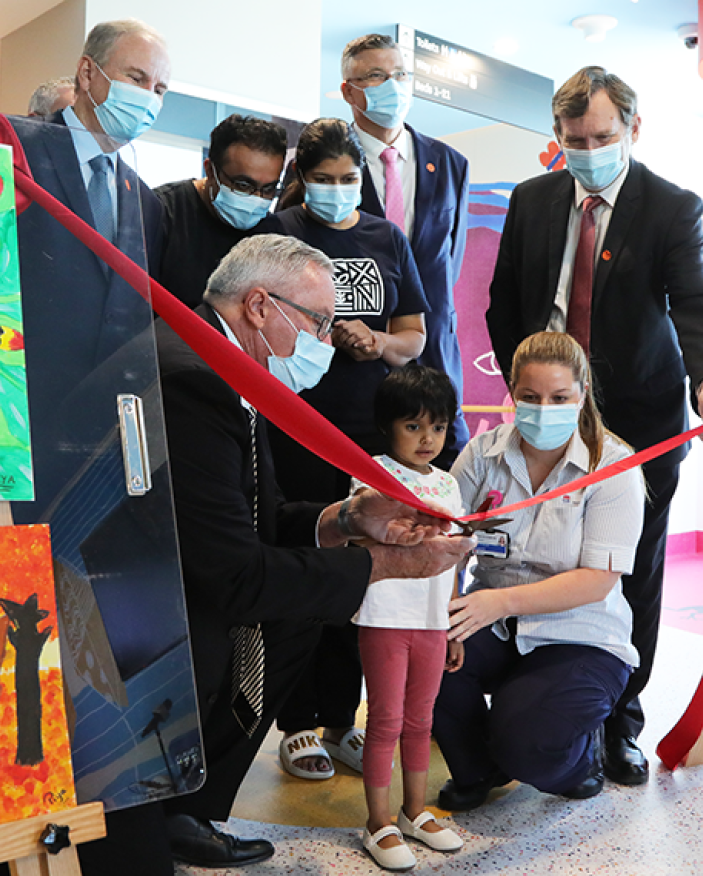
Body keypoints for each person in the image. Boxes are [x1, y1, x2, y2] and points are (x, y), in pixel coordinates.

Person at [108, 235, 467, 872]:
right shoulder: (195, 381)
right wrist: (381, 565)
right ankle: (164, 806)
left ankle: (187, 807)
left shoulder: (225, 368)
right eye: (320, 321)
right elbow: (234, 572)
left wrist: (348, 518)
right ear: (258, 307)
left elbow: (260, 517)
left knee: (304, 609)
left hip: (187, 585)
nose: (329, 340)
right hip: (144, 618)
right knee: (296, 609)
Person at [486, 66, 703, 786]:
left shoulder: (668, 206)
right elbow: (505, 302)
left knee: (631, 570)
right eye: (572, 139)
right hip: (545, 411)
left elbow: (693, 303)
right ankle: (541, 701)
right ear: (557, 136)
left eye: (601, 136)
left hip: (638, 415)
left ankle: (619, 721)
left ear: (633, 126)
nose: (587, 150)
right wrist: (524, 386)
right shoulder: (532, 201)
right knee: (535, 552)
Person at [259, 118, 428, 781]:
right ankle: (295, 722)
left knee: (360, 577)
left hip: (366, 437)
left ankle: (339, 719)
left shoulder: (385, 236)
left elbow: (413, 333)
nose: (334, 191)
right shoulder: (279, 236)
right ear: (301, 179)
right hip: (293, 427)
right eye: (321, 180)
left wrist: (379, 345)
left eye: (346, 179)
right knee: (303, 567)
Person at [434, 331, 644, 810]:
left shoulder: (613, 465)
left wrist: (498, 602)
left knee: (530, 746)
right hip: (493, 621)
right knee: (423, 657)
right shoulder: (482, 455)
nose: (543, 409)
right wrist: (446, 611)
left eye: (559, 398)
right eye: (529, 398)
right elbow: (449, 541)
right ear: (511, 392)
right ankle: (479, 769)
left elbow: (598, 579)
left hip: (580, 634)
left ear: (583, 394)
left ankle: (579, 758)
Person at [9, 19, 169, 523]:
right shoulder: (17, 148)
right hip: (11, 421)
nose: (149, 97)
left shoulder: (144, 200)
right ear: (87, 73)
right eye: (137, 78)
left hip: (95, 444)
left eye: (160, 88)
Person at [352, 364, 465, 870]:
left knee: (421, 721)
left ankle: (415, 810)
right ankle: (378, 824)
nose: (427, 439)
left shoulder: (450, 484)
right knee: (386, 721)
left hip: (433, 621)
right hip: (384, 616)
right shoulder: (368, 474)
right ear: (387, 425)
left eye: (437, 427)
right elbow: (359, 532)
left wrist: (454, 621)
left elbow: (457, 558)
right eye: (413, 426)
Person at [341, 34, 471, 459]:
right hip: (356, 368)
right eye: (376, 76)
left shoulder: (449, 163)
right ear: (349, 91)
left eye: (400, 74)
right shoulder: (325, 164)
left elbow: (449, 262)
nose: (392, 86)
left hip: (434, 361)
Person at [153, 114, 286, 308]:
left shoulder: (273, 234)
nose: (257, 198)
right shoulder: (161, 213)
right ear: (210, 171)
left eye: (269, 189)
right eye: (243, 185)